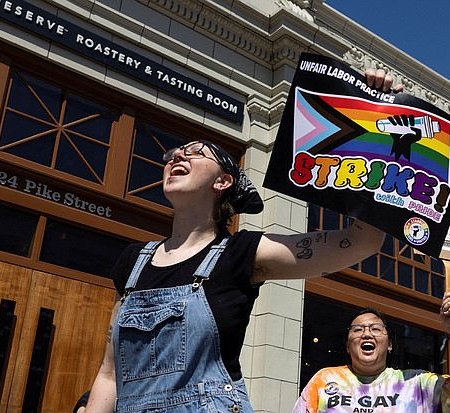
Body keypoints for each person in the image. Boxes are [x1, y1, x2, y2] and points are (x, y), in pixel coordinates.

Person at [84, 69, 401, 413]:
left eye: (193, 153)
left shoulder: (241, 253)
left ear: (222, 181)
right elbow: (110, 373)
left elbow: (362, 242)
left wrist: (372, 123)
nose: (176, 156)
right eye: (174, 153)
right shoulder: (133, 263)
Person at [292, 292, 450, 412]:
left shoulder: (415, 384)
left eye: (376, 329)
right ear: (347, 346)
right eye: (358, 329)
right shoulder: (323, 380)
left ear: (390, 344)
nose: (366, 334)